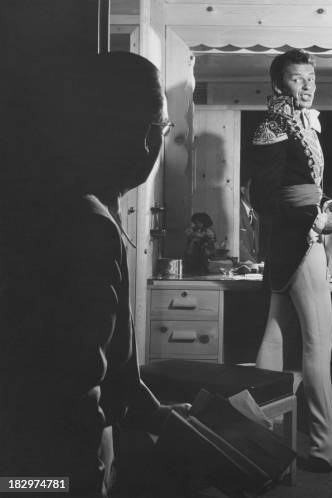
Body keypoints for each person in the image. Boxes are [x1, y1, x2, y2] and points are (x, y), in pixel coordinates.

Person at [0, 52, 188, 497]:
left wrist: (153, 412)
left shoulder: (56, 200)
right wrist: (80, 483)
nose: (163, 140)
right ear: (144, 137)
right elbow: (72, 386)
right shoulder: (86, 225)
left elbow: (110, 366)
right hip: (43, 467)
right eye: (163, 127)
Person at [249, 49, 332, 472]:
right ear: (280, 84)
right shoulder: (271, 126)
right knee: (319, 343)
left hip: (299, 235)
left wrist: (330, 199)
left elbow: (305, 182)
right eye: (298, 80)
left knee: (276, 335)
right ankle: (323, 445)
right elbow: (264, 198)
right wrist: (316, 219)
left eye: (311, 78)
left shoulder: (303, 122)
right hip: (297, 240)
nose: (308, 86)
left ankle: (258, 441)